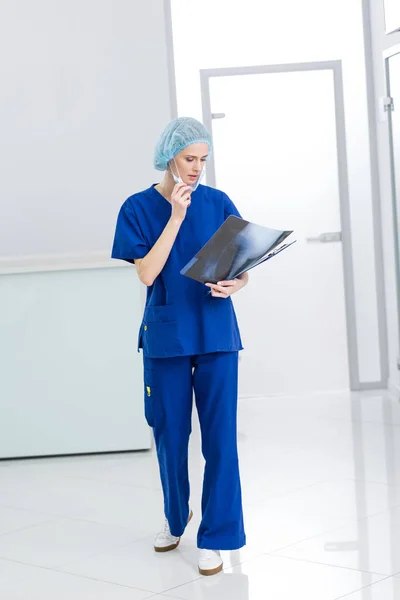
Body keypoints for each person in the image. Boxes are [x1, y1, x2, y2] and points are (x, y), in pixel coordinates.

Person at [111, 117, 248, 576]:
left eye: (203, 160)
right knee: (170, 435)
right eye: (190, 159)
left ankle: (217, 536)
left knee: (221, 440)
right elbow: (147, 274)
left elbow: (241, 266)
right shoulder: (136, 207)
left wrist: (237, 284)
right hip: (167, 334)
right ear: (169, 156)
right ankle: (176, 518)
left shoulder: (219, 202)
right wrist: (175, 216)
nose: (197, 169)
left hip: (215, 333)